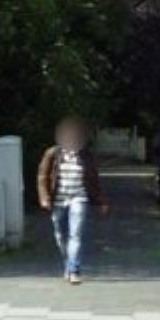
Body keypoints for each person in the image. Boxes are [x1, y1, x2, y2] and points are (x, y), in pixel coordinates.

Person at [36, 117, 105, 284]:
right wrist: (44, 198)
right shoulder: (52, 154)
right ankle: (68, 264)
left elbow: (94, 180)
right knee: (60, 235)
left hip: (79, 198)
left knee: (76, 235)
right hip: (58, 200)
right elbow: (42, 176)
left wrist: (100, 201)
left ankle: (74, 271)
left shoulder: (86, 156)